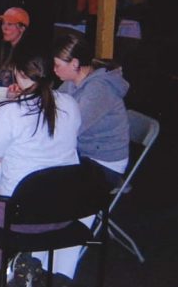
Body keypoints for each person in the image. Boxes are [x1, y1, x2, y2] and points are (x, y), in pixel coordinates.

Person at [0, 52, 81, 276]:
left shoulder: (10, 112)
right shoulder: (70, 104)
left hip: (18, 214)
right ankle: (20, 263)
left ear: (19, 74)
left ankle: (4, 268)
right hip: (63, 208)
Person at [52, 33, 130, 185]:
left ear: (74, 63)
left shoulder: (98, 89)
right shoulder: (72, 81)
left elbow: (73, 128)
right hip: (84, 153)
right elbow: (53, 103)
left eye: (57, 65)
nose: (54, 69)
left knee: (44, 175)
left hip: (104, 164)